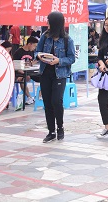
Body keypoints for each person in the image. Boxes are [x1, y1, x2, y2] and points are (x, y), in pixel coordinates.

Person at [35, 11, 76, 143]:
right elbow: (37, 51)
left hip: (60, 74)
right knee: (47, 102)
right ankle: (51, 131)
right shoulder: (45, 37)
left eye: (49, 21)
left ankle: (60, 127)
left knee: (56, 101)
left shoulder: (67, 40)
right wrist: (39, 56)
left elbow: (72, 58)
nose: (47, 23)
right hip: (45, 73)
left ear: (55, 23)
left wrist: (59, 61)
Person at [13, 36, 38, 105]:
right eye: (34, 46)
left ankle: (39, 96)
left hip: (30, 71)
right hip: (20, 72)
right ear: (29, 44)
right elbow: (15, 64)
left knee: (44, 78)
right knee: (22, 79)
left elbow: (30, 62)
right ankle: (29, 97)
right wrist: (19, 71)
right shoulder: (18, 52)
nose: (34, 48)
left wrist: (33, 63)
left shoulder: (31, 52)